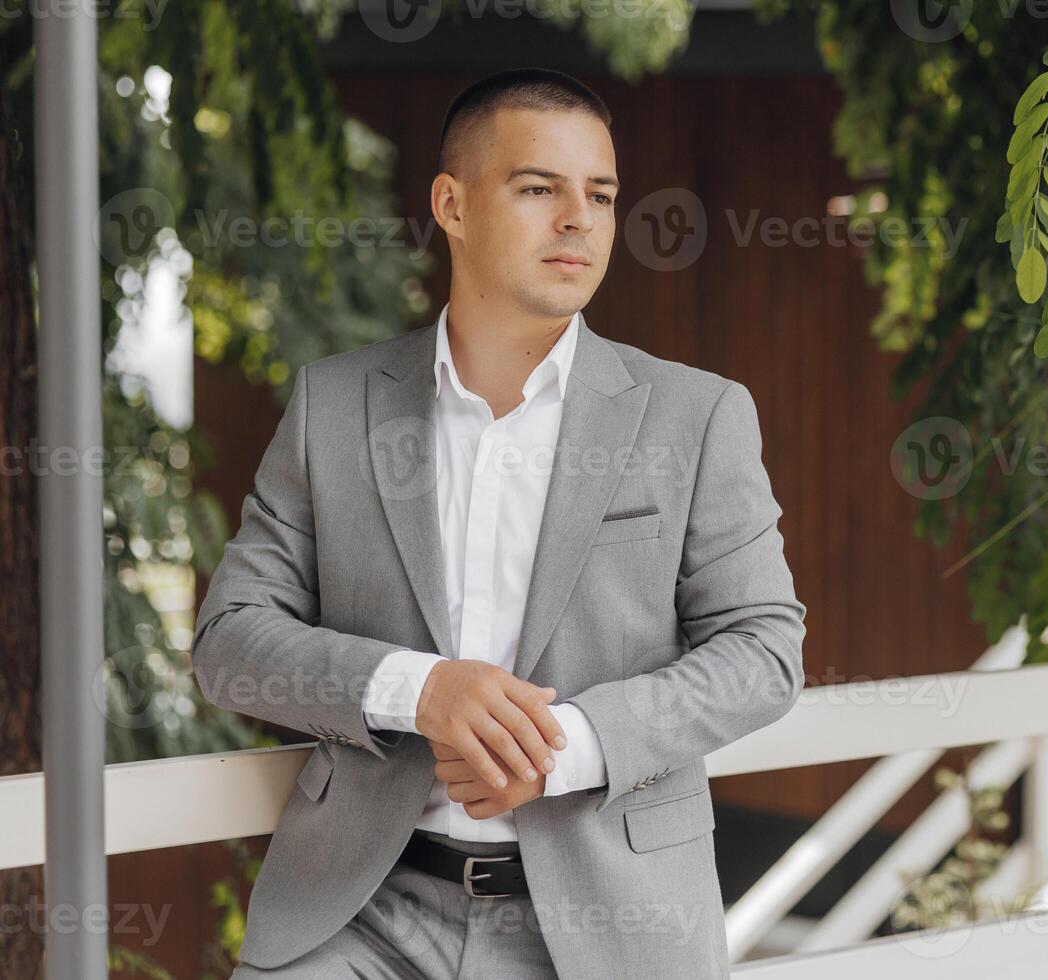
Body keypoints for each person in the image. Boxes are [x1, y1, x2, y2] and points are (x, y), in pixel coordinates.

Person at [191, 67, 807, 979]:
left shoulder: (696, 415)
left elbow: (764, 649)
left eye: (599, 194)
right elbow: (230, 642)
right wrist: (418, 689)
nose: (579, 219)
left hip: (606, 931)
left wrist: (569, 750)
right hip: (360, 914)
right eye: (537, 189)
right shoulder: (335, 405)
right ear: (452, 203)